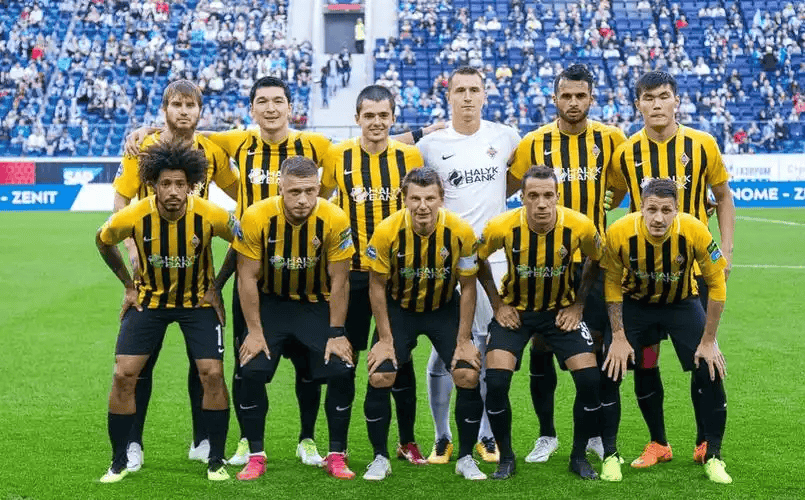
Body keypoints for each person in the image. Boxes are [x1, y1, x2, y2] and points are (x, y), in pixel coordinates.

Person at [609, 70, 735, 469]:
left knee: (702, 356)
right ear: (638, 105)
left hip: (693, 269)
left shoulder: (702, 144)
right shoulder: (626, 152)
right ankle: (658, 442)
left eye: (663, 96)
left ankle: (705, 442)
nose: (657, 104)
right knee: (647, 361)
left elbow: (723, 196)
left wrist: (726, 249)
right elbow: (612, 196)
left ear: (676, 100)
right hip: (642, 277)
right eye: (648, 98)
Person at [112, 79, 239, 472]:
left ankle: (203, 440)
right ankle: (133, 444)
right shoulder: (142, 147)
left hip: (197, 275)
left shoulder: (211, 150)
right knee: (139, 365)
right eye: (177, 105)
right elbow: (121, 198)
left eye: (190, 105)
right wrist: (131, 245)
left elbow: (241, 192)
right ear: (164, 109)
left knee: (203, 365)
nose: (184, 112)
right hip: (149, 274)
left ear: (200, 111)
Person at [508, 64, 626, 468]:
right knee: (542, 344)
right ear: (554, 98)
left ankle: (594, 435)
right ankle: (547, 434)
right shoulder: (534, 142)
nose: (573, 102)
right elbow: (507, 187)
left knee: (597, 348)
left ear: (592, 98)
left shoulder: (611, 139)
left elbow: (620, 187)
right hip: (544, 262)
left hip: (594, 262)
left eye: (581, 96)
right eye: (566, 96)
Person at [416, 65, 521, 464]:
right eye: (459, 90)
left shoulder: (505, 136)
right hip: (446, 262)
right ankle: (442, 435)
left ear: (484, 95)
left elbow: (516, 179)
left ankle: (486, 436)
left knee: (489, 348)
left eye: (474, 89)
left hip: (494, 261)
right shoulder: (430, 144)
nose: (467, 97)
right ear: (449, 96)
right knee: (446, 349)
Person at [320, 85, 428, 465]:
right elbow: (323, 199)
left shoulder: (409, 157)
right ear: (357, 118)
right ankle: (337, 449)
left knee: (400, 361)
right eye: (369, 115)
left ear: (393, 118)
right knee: (342, 362)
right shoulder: (338, 155)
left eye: (384, 115)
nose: (377, 122)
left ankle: (406, 441)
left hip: (396, 277)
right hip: (352, 275)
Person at [232, 156, 357, 481]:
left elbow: (340, 280)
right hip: (271, 304)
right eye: (295, 192)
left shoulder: (334, 218)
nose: (303, 199)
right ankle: (256, 455)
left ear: (318, 188)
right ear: (280, 188)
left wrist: (337, 332)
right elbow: (246, 278)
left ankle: (336, 454)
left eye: (310, 191)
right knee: (251, 369)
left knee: (342, 369)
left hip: (314, 304)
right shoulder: (256, 216)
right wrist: (254, 331)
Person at [478, 165, 605, 480]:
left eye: (548, 195)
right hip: (516, 313)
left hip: (559, 312)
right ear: (522, 198)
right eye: (533, 196)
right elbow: (476, 259)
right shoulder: (501, 226)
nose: (542, 204)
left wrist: (578, 305)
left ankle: (578, 457)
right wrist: (497, 305)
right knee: (496, 383)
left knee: (590, 381)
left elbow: (597, 258)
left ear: (558, 196)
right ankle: (507, 458)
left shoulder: (579, 226)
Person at [601, 178, 731, 484]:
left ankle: (712, 454)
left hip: (681, 304)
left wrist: (709, 340)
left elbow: (716, 285)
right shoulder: (619, 232)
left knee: (709, 368)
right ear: (641, 208)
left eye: (666, 210)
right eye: (652, 209)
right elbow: (611, 283)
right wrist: (618, 337)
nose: (658, 218)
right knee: (612, 370)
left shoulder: (695, 230)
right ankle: (618, 453)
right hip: (636, 306)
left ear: (677, 210)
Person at [362, 168, 486, 481]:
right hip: (400, 308)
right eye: (415, 198)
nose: (422, 206)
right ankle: (379, 458)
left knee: (467, 373)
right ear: (404, 200)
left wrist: (464, 340)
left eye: (430, 198)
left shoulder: (460, 231)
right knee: (381, 374)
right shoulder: (387, 231)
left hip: (443, 308)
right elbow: (376, 286)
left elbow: (468, 286)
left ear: (441, 199)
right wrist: (385, 340)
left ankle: (466, 458)